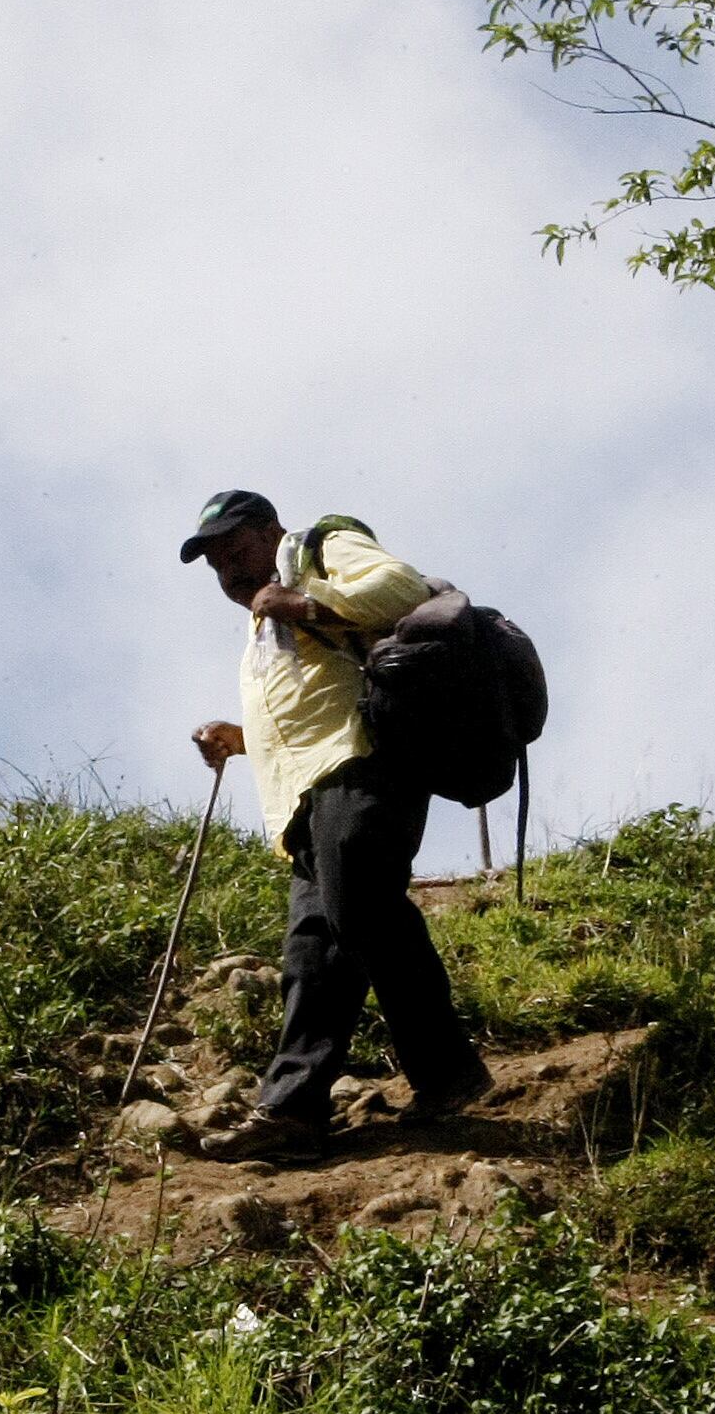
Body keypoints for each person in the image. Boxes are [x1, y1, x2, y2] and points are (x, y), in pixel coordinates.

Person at [177, 489, 494, 1163]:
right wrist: (240, 737)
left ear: (270, 531)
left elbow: (400, 587)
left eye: (236, 549)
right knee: (313, 956)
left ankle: (448, 1072)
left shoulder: (318, 548)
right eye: (216, 564)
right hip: (303, 800)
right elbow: (306, 702)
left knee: (360, 899)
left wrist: (306, 602)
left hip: (363, 762)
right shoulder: (258, 630)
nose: (230, 571)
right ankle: (292, 1112)